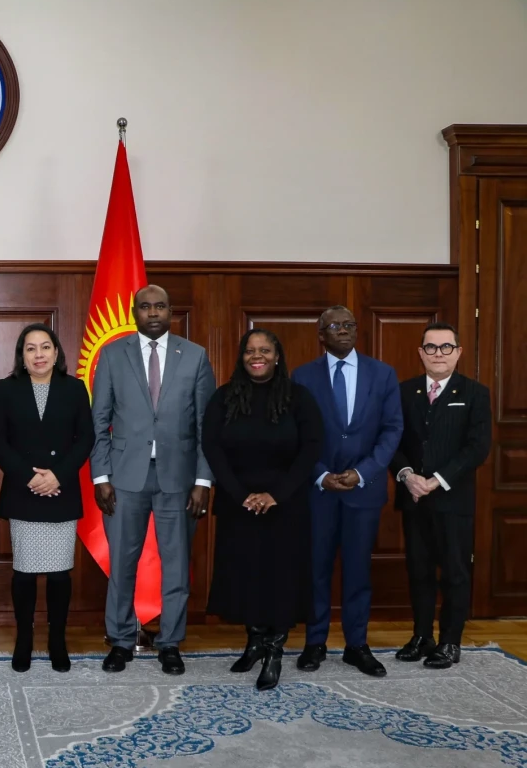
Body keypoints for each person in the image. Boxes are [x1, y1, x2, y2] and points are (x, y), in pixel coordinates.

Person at [90, 285, 214, 676]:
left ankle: (170, 643)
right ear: (135, 313)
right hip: (124, 477)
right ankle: (121, 640)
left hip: (179, 478)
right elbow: (99, 421)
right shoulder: (113, 354)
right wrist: (101, 475)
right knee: (122, 563)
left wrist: (203, 480)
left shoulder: (194, 356)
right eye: (145, 307)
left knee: (176, 565)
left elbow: (206, 426)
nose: (154, 313)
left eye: (160, 306)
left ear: (171, 311)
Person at [202, 329, 323, 690]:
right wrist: (240, 494)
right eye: (250, 351)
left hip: (286, 504)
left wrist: (276, 495)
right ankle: (254, 641)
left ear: (277, 356)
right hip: (238, 503)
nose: (257, 356)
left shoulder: (298, 397)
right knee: (245, 576)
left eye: (265, 350)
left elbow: (311, 448)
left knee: (281, 578)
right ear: (242, 358)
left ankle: (274, 651)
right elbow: (211, 447)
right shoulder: (224, 397)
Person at [291, 305, 403, 677]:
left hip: (363, 492)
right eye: (335, 325)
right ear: (320, 335)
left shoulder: (383, 374)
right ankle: (315, 643)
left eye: (349, 324)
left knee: (358, 572)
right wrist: (321, 475)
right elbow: (297, 433)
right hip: (319, 492)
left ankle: (357, 645)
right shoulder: (302, 376)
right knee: (316, 570)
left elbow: (392, 430)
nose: (343, 330)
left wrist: (362, 472)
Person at [0, 323, 92, 673]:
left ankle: (57, 641)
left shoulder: (74, 389)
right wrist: (30, 477)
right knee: (24, 573)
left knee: (60, 575)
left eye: (45, 347)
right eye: (30, 348)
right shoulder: (7, 388)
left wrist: (57, 475)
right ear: (22, 355)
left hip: (61, 489)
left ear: (56, 352)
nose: (38, 354)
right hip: (24, 490)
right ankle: (24, 640)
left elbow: (85, 438)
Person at [390, 322, 491, 669]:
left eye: (446, 347)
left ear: (458, 352)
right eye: (431, 347)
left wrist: (435, 480)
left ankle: (449, 641)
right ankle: (422, 636)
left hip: (453, 500)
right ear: (421, 353)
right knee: (418, 570)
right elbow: (391, 440)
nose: (438, 354)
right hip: (414, 497)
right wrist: (407, 476)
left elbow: (477, 448)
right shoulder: (405, 392)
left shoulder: (475, 393)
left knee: (454, 573)